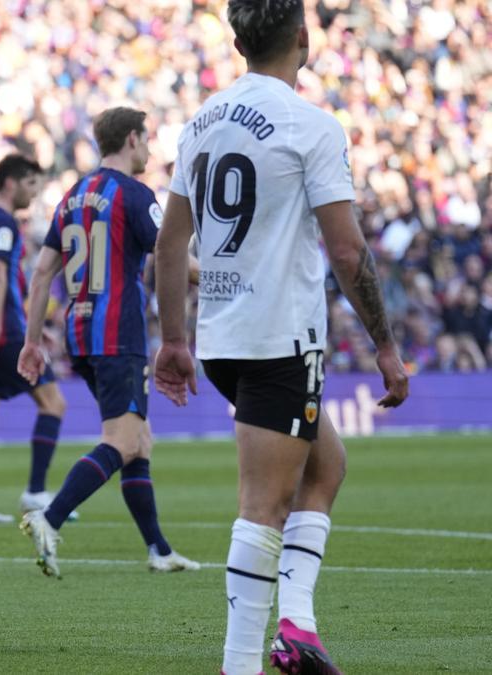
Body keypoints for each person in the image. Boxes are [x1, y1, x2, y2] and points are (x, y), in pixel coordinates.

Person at [152, 2, 410, 673]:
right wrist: (384, 344)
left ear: (237, 40)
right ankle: (239, 662)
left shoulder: (200, 123)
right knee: (262, 505)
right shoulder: (310, 126)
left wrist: (175, 339)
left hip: (222, 338)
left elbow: (170, 242)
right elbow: (349, 252)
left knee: (327, 466)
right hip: (278, 340)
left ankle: (296, 623)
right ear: (302, 36)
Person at [17, 107, 200, 577]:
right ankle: (49, 517)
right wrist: (224, 273)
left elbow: (41, 273)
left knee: (139, 440)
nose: (150, 150)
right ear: (133, 139)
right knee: (121, 440)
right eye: (148, 140)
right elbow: (170, 253)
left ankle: (159, 550)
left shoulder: (73, 195)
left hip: (80, 335)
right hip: (119, 332)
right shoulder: (136, 195)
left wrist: (32, 341)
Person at [0, 154, 68, 525]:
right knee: (52, 404)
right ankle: (36, 492)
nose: (34, 193)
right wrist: (1, 331)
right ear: (11, 183)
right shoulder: (3, 223)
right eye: (31, 184)